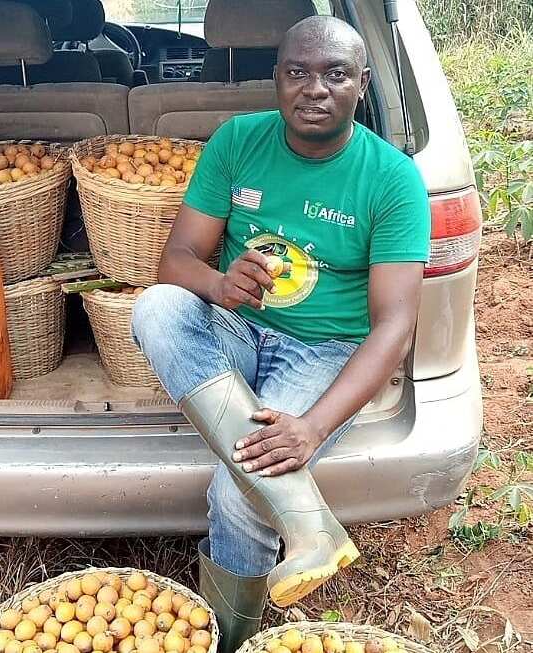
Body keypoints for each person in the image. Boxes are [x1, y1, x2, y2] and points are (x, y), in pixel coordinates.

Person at [131, 15, 431, 653]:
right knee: (157, 307)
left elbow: (395, 325)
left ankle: (234, 635)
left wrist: (313, 426)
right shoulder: (238, 141)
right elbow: (176, 261)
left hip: (327, 350)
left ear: (362, 84)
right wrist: (219, 285)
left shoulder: (392, 179)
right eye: (297, 72)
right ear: (276, 78)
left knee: (237, 489)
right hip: (240, 329)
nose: (314, 88)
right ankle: (310, 524)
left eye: (335, 74)